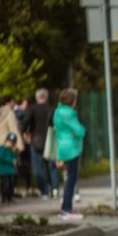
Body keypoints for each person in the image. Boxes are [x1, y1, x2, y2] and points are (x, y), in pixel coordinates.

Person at [53, 88, 86, 220]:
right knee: (71, 180)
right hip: (72, 148)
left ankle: (66, 208)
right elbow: (79, 131)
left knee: (68, 179)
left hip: (62, 147)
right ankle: (66, 209)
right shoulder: (69, 113)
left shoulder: (58, 111)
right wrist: (81, 130)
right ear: (72, 100)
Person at [23, 88, 59, 199]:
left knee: (38, 167)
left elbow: (24, 123)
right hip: (50, 140)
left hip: (36, 141)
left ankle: (44, 191)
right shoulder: (51, 109)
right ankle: (55, 189)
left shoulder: (33, 109)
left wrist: (25, 133)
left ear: (37, 98)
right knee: (52, 166)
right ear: (47, 97)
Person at [0, 133, 19, 204]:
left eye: (13, 142)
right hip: (3, 171)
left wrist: (17, 162)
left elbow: (15, 158)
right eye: (10, 142)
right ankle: (4, 197)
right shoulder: (2, 148)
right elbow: (0, 158)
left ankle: (9, 197)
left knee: (11, 184)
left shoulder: (12, 150)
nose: (11, 144)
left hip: (10, 171)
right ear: (6, 141)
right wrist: (11, 161)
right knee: (5, 185)